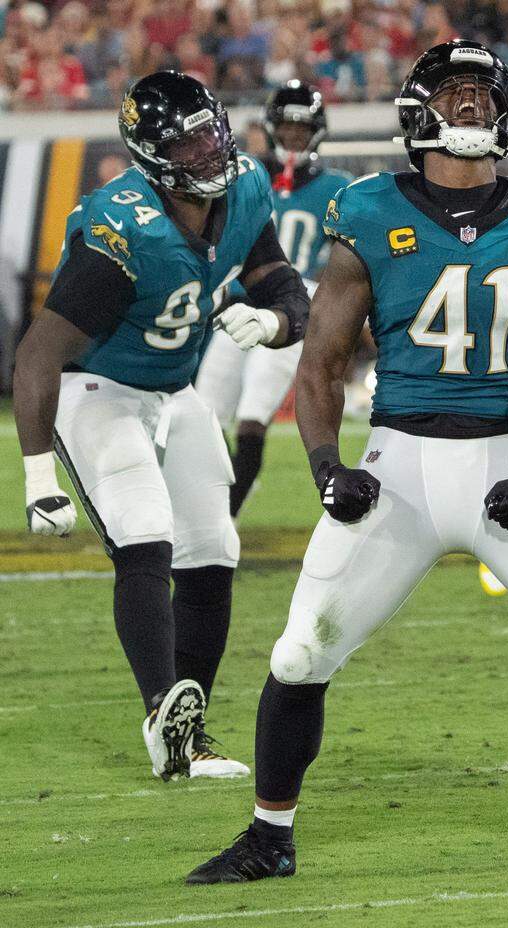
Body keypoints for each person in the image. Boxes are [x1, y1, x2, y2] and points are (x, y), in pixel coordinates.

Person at [186, 41, 508, 885]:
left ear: (504, 115)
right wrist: (327, 466)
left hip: (506, 457)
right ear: (417, 113)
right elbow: (319, 364)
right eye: (453, 95)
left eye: (481, 96)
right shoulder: (363, 211)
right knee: (298, 656)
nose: (469, 108)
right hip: (401, 467)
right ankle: (269, 835)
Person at [14, 71, 310, 782]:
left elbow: (283, 285)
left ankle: (190, 731)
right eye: (191, 142)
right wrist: (35, 475)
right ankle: (158, 710)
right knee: (145, 530)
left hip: (176, 392)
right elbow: (37, 353)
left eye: (213, 132)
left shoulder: (242, 191)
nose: (212, 151)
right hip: (101, 389)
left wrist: (271, 321)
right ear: (152, 154)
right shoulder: (124, 227)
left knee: (213, 548)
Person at [196, 81, 353, 517]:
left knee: (252, 417)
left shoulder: (338, 188)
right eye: (285, 128)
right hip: (240, 308)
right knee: (202, 414)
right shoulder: (247, 177)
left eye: (301, 130)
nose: (293, 137)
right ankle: (206, 508)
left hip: (293, 312)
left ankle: (226, 517)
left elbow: (349, 260)